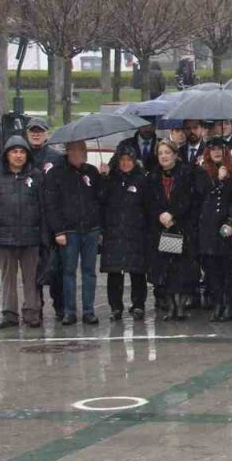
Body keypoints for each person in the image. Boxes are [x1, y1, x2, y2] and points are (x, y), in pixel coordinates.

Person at [0, 136, 45, 329]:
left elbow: (43, 207)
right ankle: (9, 314)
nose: (18, 156)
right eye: (14, 151)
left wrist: (43, 235)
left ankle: (32, 313)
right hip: (4, 238)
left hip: (30, 238)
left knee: (31, 278)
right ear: (7, 154)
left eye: (22, 152)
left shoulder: (36, 175)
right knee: (7, 278)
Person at [43, 141, 103, 325]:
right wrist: (58, 230)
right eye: (76, 151)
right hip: (68, 231)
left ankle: (88, 310)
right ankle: (69, 311)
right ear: (68, 152)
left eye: (83, 151)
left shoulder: (92, 172)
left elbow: (101, 200)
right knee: (68, 272)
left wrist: (105, 177)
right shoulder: (56, 174)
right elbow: (51, 205)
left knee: (89, 272)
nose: (80, 154)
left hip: (91, 230)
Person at [147, 140, 199, 321]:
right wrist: (161, 214)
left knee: (183, 269)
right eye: (160, 153)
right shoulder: (153, 176)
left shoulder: (187, 173)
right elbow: (149, 201)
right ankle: (171, 307)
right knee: (167, 269)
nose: (163, 156)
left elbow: (190, 198)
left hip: (182, 227)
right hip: (164, 229)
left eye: (167, 152)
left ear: (175, 154)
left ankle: (182, 306)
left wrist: (173, 214)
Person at [100, 150, 151, 321]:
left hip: (136, 233)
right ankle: (116, 307)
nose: (125, 163)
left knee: (137, 272)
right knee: (114, 274)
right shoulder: (111, 180)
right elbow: (101, 200)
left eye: (129, 160)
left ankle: (138, 305)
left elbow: (148, 207)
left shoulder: (142, 180)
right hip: (114, 233)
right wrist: (104, 178)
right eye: (122, 160)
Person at [195, 143, 232, 322]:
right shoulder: (201, 171)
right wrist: (217, 180)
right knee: (211, 269)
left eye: (220, 149)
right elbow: (201, 194)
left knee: (228, 268)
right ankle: (218, 302)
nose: (216, 152)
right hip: (208, 226)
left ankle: (229, 304)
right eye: (212, 149)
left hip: (226, 226)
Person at [26, 117, 65, 318]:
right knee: (34, 268)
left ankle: (60, 307)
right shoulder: (21, 155)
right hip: (31, 221)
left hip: (53, 220)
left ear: (46, 134)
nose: (36, 134)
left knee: (56, 267)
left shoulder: (57, 158)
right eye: (32, 131)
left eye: (39, 130)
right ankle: (36, 307)